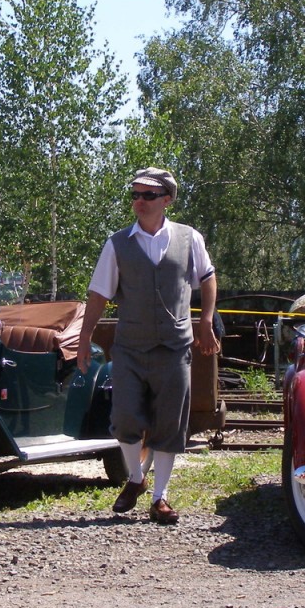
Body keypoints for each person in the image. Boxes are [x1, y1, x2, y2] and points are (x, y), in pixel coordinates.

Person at [77, 167, 220, 524]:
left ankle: (160, 497)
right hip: (130, 346)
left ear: (166, 200)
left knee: (170, 423)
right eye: (135, 195)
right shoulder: (118, 243)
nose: (139, 201)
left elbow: (207, 277)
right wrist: (83, 340)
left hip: (174, 345)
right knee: (124, 416)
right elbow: (98, 295)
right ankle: (136, 478)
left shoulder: (189, 238)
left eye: (148, 196)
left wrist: (205, 321)